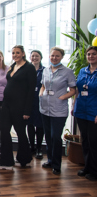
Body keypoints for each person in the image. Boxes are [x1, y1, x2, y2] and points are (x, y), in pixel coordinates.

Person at [0, 45, 36, 170]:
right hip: (6, 104)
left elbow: (31, 91)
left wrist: (27, 110)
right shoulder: (12, 66)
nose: (15, 55)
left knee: (21, 132)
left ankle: (24, 159)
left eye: (17, 53)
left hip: (20, 106)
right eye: (13, 53)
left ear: (23, 53)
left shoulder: (29, 68)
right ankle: (6, 161)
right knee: (4, 130)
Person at [39, 47, 76, 175]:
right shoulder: (45, 70)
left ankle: (56, 164)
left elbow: (73, 90)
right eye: (52, 55)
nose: (54, 58)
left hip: (59, 110)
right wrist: (41, 94)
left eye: (57, 56)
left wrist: (62, 97)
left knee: (56, 137)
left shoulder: (67, 71)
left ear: (61, 57)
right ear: (49, 56)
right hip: (45, 108)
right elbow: (43, 85)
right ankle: (49, 160)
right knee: (48, 137)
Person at [72, 46, 97, 181]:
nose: (91, 56)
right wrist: (74, 105)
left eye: (94, 54)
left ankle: (95, 170)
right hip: (81, 110)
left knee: (94, 142)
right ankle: (87, 167)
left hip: (94, 112)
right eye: (89, 54)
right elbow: (78, 90)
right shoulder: (83, 71)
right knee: (85, 141)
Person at [28, 50, 45, 159]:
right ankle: (32, 146)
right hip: (29, 100)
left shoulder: (45, 70)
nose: (35, 58)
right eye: (33, 56)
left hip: (40, 100)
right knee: (29, 124)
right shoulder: (27, 69)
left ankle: (39, 148)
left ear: (41, 57)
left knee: (40, 125)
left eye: (37, 56)